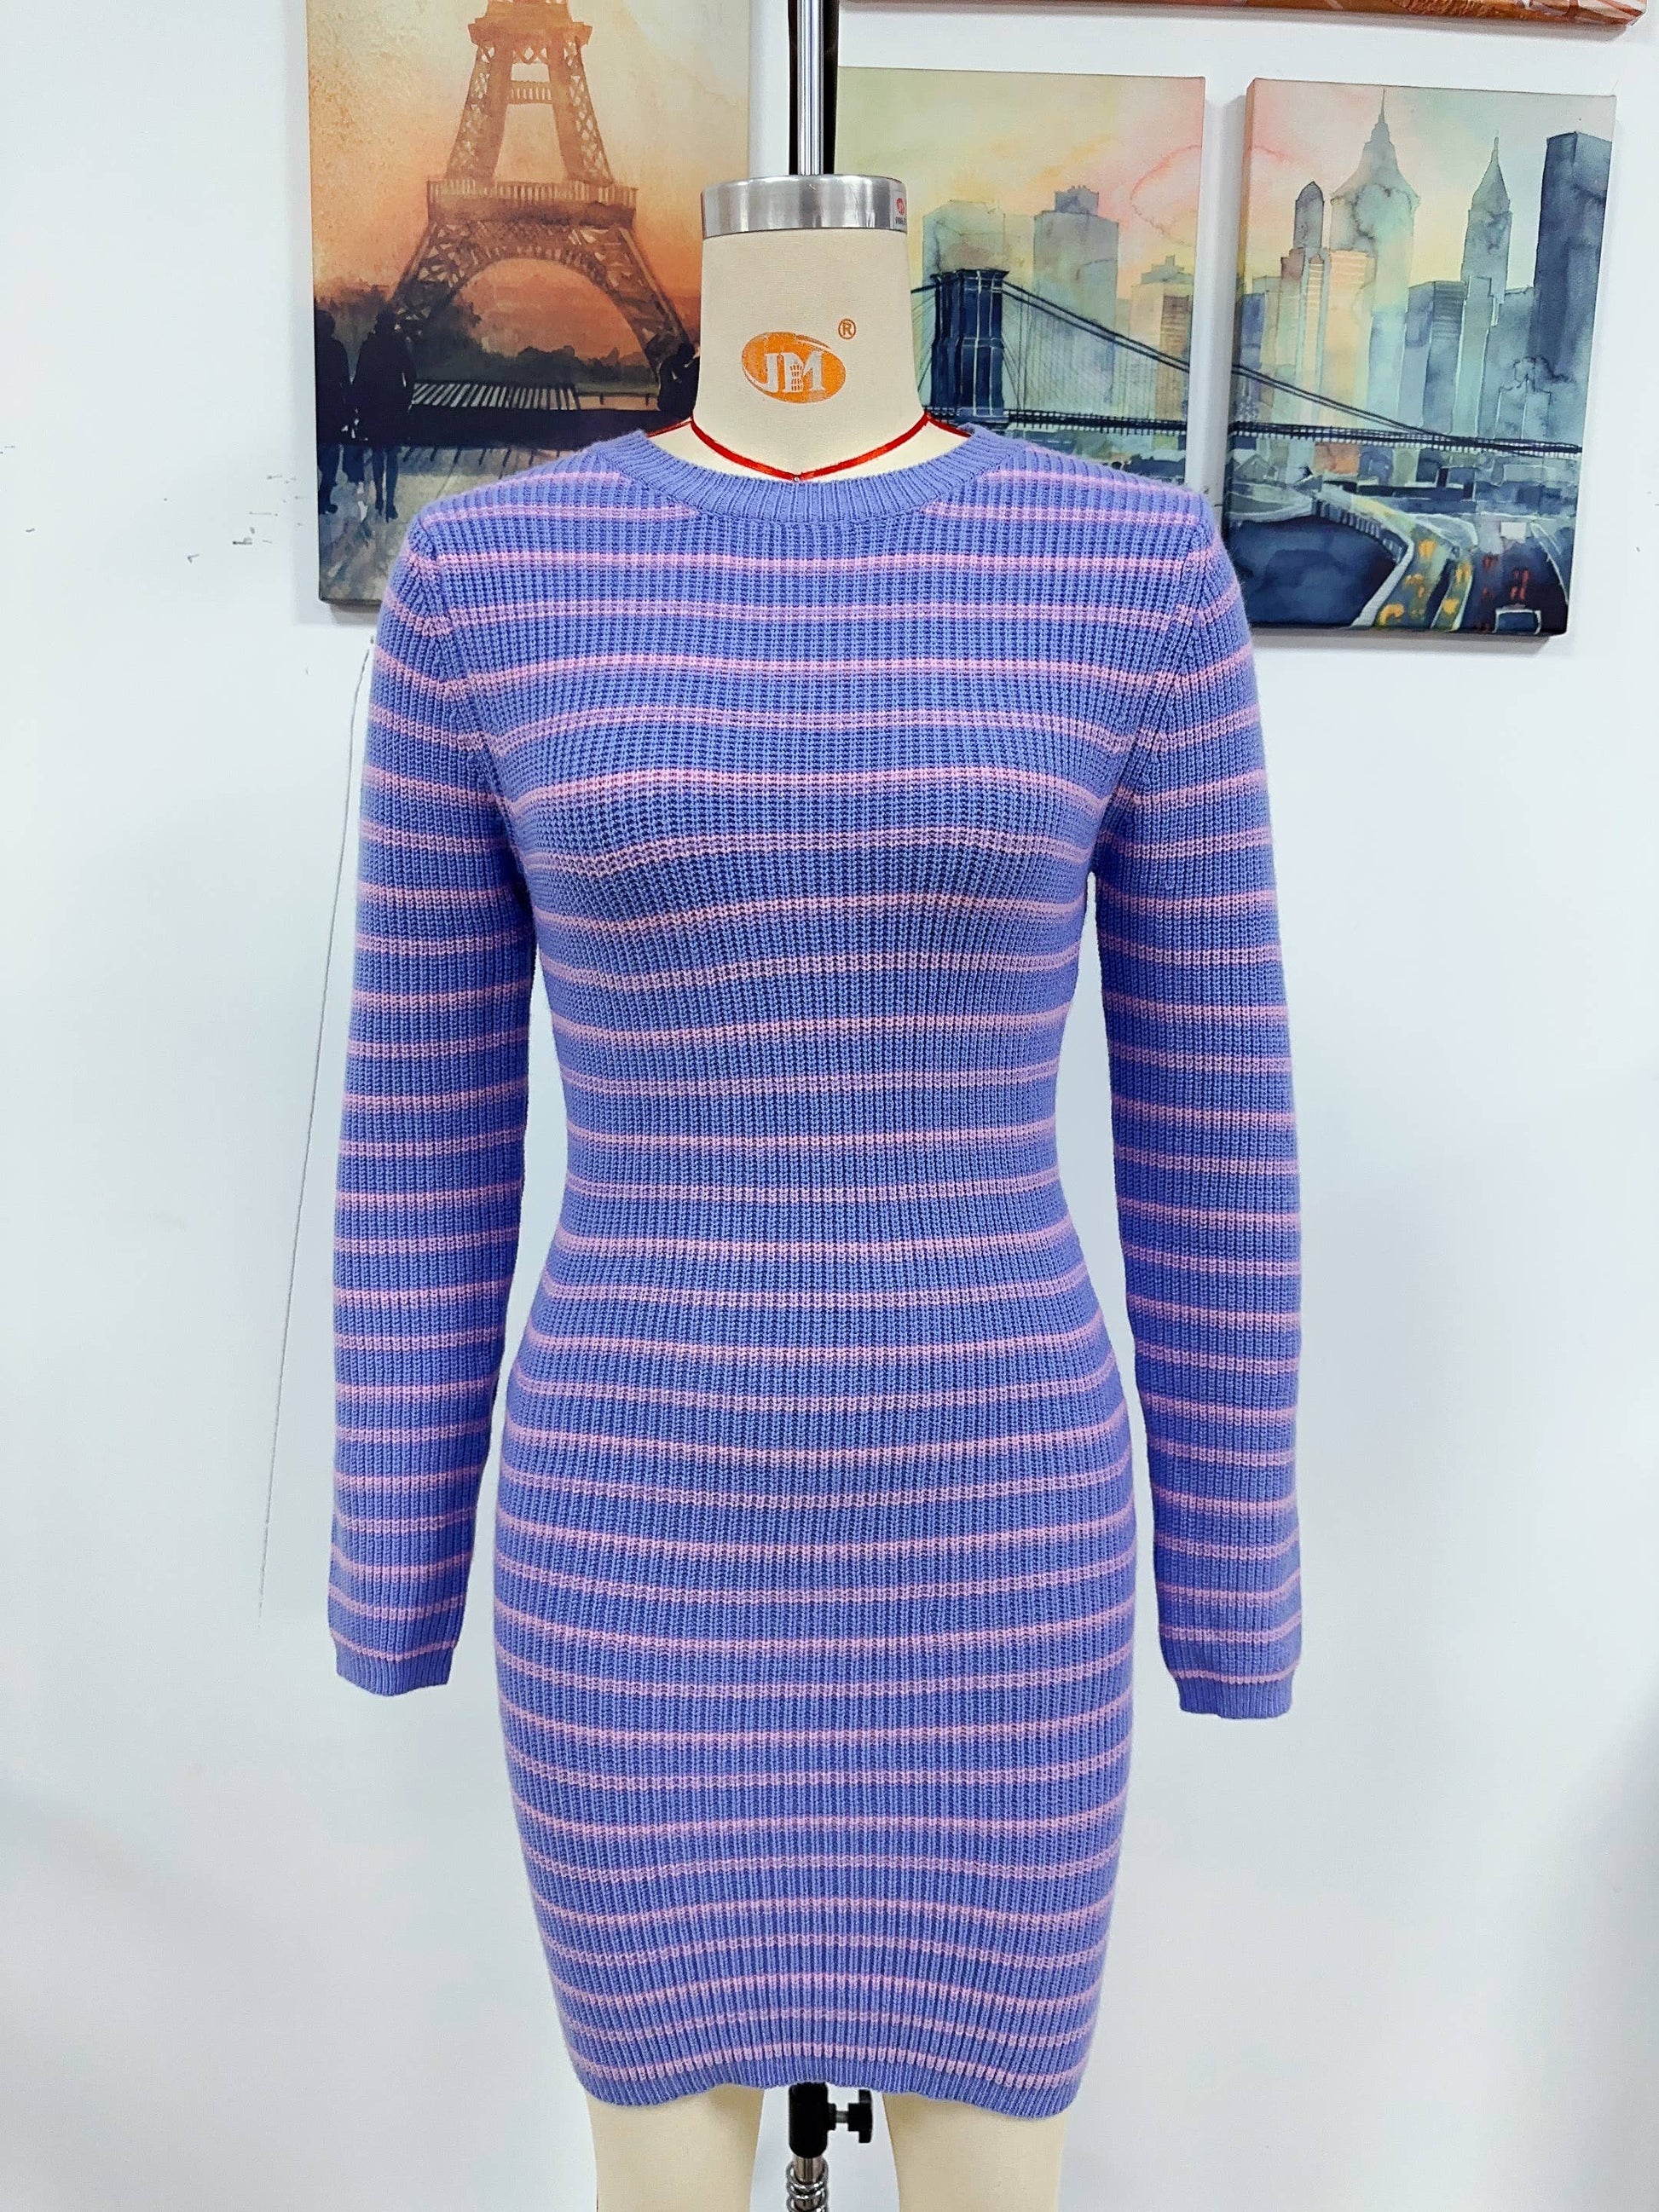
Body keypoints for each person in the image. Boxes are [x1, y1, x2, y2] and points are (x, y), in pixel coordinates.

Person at [352, 307, 418, 523]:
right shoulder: (398, 345)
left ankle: (380, 496)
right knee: (392, 454)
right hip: (393, 405)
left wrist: (357, 405)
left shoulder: (369, 346)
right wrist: (406, 399)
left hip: (373, 406)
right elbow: (411, 374)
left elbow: (360, 377)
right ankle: (389, 501)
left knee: (378, 453)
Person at [313, 306, 353, 515]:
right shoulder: (337, 349)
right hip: (332, 410)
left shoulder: (306, 348)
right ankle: (324, 498)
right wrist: (350, 407)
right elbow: (344, 380)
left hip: (313, 409)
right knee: (330, 459)